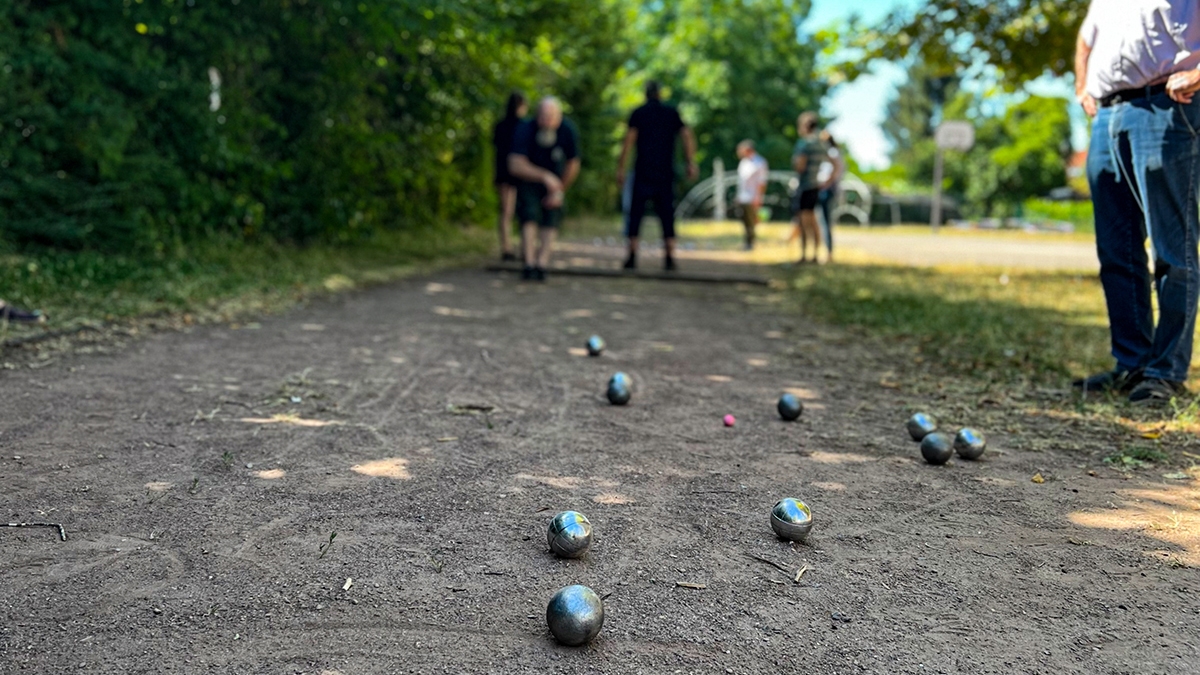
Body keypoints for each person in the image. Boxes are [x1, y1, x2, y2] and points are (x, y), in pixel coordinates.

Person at [1073, 0, 1200, 405]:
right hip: (1108, 116)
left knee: (1172, 251)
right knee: (1117, 252)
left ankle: (1165, 372)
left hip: (1165, 108)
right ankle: (1131, 364)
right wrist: (1082, 86)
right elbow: (1085, 38)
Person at [615, 81, 698, 271]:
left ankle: (632, 255)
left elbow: (628, 141)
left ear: (645, 94)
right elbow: (686, 135)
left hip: (642, 170)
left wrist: (621, 167)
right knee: (667, 214)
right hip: (665, 171)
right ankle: (669, 256)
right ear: (660, 94)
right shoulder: (671, 113)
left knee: (635, 213)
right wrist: (690, 162)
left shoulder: (638, 113)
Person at [507, 97, 581, 282]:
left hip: (557, 181)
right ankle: (529, 263)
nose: (547, 121)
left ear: (559, 117)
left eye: (551, 117)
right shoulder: (525, 129)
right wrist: (544, 177)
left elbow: (573, 163)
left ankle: (542, 264)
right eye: (543, 117)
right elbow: (515, 164)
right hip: (529, 180)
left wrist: (559, 189)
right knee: (529, 216)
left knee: (551, 219)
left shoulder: (568, 130)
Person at [790, 112, 831, 264]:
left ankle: (804, 254)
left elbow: (800, 165)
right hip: (816, 187)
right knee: (814, 222)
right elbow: (833, 162)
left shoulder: (804, 144)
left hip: (804, 186)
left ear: (805, 126)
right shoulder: (822, 144)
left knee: (803, 222)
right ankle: (815, 254)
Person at [492, 92, 528, 262]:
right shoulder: (523, 126)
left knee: (506, 212)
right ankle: (522, 248)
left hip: (503, 172)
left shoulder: (500, 126)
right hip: (518, 174)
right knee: (520, 212)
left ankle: (507, 247)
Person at [815, 130, 846, 263]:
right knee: (823, 222)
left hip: (827, 190)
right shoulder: (833, 152)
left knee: (825, 222)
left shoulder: (831, 152)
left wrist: (826, 183)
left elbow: (836, 169)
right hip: (827, 189)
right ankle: (827, 251)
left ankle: (829, 252)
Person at [734, 140, 769, 251]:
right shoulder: (743, 162)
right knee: (744, 220)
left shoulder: (760, 162)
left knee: (751, 221)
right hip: (743, 196)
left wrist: (758, 197)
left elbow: (762, 182)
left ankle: (751, 243)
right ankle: (746, 242)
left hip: (752, 196)